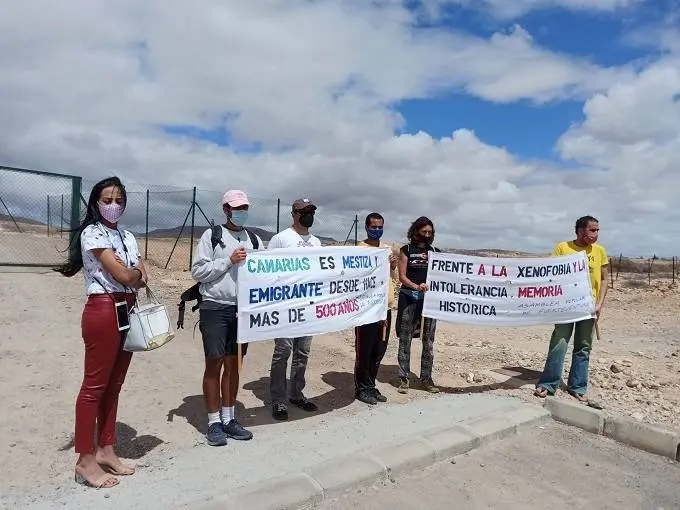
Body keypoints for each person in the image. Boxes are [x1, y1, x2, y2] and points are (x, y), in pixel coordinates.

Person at [54, 177, 148, 489]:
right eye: (106, 199)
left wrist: (132, 273)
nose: (113, 205)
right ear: (96, 202)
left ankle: (106, 449)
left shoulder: (127, 236)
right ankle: (84, 459)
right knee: (94, 387)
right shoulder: (93, 233)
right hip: (104, 309)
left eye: (118, 199)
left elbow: (140, 277)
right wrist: (132, 272)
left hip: (128, 310)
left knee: (114, 385)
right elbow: (125, 273)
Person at [191, 190, 264, 446]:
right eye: (236, 207)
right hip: (215, 308)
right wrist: (228, 261)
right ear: (225, 209)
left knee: (234, 365)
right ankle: (213, 423)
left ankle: (229, 418)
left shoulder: (254, 239)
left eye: (244, 207)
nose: (240, 211)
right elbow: (198, 271)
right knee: (214, 363)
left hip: (242, 310)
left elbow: (264, 273)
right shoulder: (212, 236)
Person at [534, 215, 609, 403]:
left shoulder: (599, 251)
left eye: (598, 230)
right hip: (565, 306)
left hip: (588, 308)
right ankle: (548, 383)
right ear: (580, 231)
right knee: (559, 344)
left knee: (583, 347)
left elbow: (604, 279)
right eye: (593, 230)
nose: (596, 234)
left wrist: (599, 304)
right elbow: (552, 274)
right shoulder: (563, 248)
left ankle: (578, 387)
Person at [267, 198, 322, 420]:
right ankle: (278, 400)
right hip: (285, 306)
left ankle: (296, 394)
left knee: (302, 352)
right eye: (305, 211)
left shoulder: (317, 242)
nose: (309, 215)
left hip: (308, 307)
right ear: (294, 214)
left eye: (312, 211)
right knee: (283, 352)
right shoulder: (280, 239)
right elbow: (267, 270)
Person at [354, 213, 397, 405]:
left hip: (385, 308)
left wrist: (393, 265)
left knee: (379, 349)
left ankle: (371, 384)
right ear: (366, 227)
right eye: (373, 226)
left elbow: (391, 277)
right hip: (367, 309)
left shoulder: (386, 249)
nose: (377, 230)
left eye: (380, 227)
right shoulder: (359, 249)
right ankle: (362, 387)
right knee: (364, 349)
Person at [396, 216, 441, 395]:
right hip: (409, 299)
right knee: (405, 338)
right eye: (424, 232)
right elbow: (402, 276)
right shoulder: (405, 250)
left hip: (429, 303)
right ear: (416, 232)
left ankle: (426, 378)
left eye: (430, 232)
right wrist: (416, 286)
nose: (427, 235)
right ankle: (403, 377)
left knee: (428, 341)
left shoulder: (436, 252)